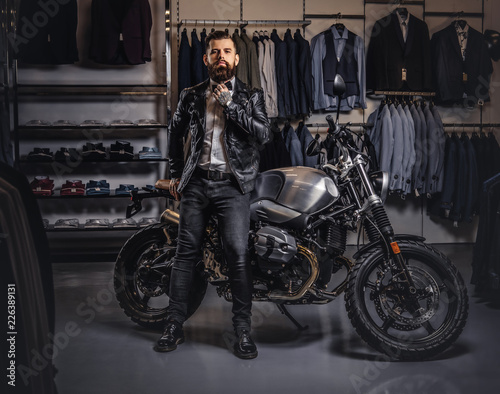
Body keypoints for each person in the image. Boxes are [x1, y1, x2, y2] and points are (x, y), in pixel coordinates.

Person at [155, 30, 270, 359]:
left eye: (227, 52)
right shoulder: (191, 95)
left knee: (237, 251)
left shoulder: (251, 96)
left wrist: (231, 105)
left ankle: (243, 330)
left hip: (233, 187)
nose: (221, 56)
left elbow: (263, 135)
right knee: (184, 254)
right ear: (206, 59)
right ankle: (174, 324)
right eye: (215, 52)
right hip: (197, 184)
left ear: (236, 58)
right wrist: (177, 174)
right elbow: (174, 131)